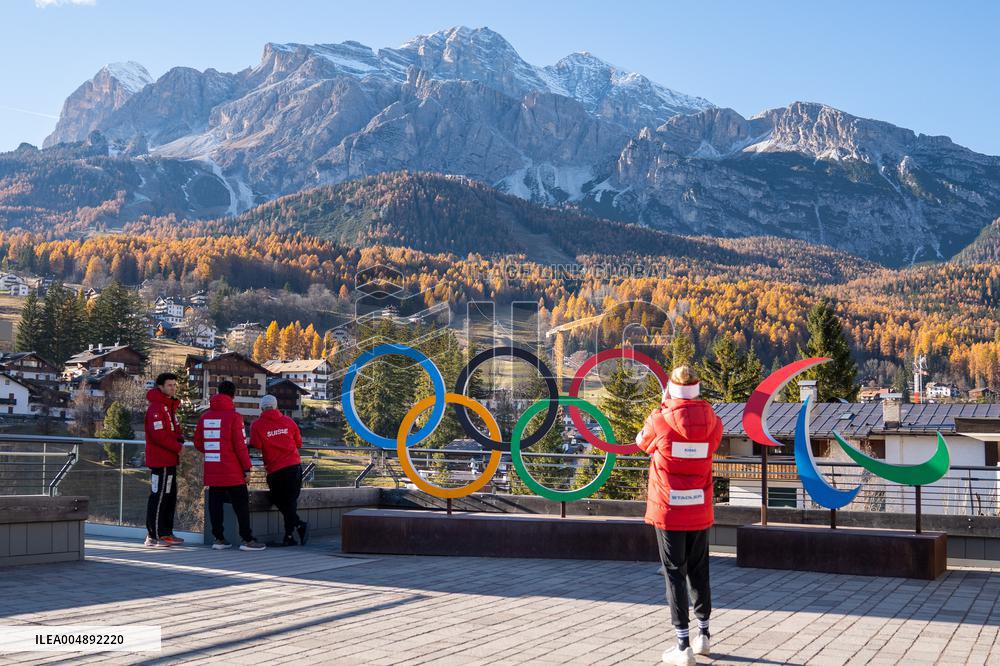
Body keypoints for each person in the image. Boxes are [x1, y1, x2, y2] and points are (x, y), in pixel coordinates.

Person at [635, 365, 723, 666]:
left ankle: (682, 645)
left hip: (669, 509)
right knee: (700, 569)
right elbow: (711, 444)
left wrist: (663, 406)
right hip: (699, 507)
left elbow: (641, 442)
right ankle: (704, 636)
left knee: (675, 572)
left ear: (670, 389)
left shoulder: (660, 419)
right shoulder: (712, 419)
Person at [194, 380, 266, 551]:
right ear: (233, 396)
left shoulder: (205, 416)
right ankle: (247, 540)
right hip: (232, 470)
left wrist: (213, 451)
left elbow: (197, 442)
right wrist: (247, 468)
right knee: (241, 505)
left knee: (215, 504)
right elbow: (240, 446)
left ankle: (219, 539)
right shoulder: (235, 417)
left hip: (213, 468)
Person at [249, 394, 308, 547]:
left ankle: (293, 532)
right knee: (290, 502)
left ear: (261, 408)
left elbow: (256, 445)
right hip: (294, 466)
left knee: (279, 500)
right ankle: (293, 531)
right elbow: (299, 443)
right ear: (276, 407)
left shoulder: (257, 425)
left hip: (275, 470)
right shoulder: (289, 421)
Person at [144, 372, 185, 547]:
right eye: (170, 385)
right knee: (159, 497)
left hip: (170, 460)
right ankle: (153, 536)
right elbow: (158, 435)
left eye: (174, 385)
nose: (173, 388)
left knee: (169, 497)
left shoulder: (169, 406)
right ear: (160, 387)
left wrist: (180, 440)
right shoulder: (156, 407)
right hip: (161, 460)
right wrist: (178, 447)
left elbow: (173, 430)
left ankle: (166, 532)